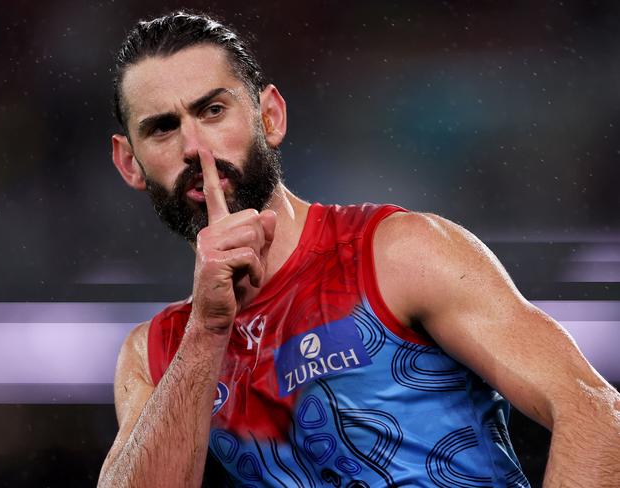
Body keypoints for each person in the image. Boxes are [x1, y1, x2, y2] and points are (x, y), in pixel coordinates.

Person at [98, 10, 620, 488]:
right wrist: (208, 329)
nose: (195, 147)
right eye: (163, 128)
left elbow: (593, 410)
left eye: (213, 110)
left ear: (270, 117)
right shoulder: (154, 353)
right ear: (129, 163)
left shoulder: (397, 254)